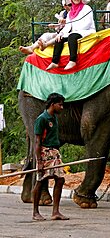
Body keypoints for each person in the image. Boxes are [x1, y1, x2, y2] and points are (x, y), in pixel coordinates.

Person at [32, 92, 69, 221]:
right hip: (44, 153)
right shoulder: (42, 119)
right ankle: (35, 212)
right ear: (53, 104)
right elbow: (37, 142)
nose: (62, 107)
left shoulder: (54, 118)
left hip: (55, 153)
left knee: (60, 179)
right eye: (60, 105)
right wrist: (39, 161)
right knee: (41, 181)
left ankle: (55, 212)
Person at [46, 0, 96, 71]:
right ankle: (55, 61)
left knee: (72, 36)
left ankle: (72, 60)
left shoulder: (87, 8)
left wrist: (74, 31)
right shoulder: (70, 12)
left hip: (86, 31)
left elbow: (88, 23)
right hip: (75, 32)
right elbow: (68, 26)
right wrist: (61, 33)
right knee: (60, 38)